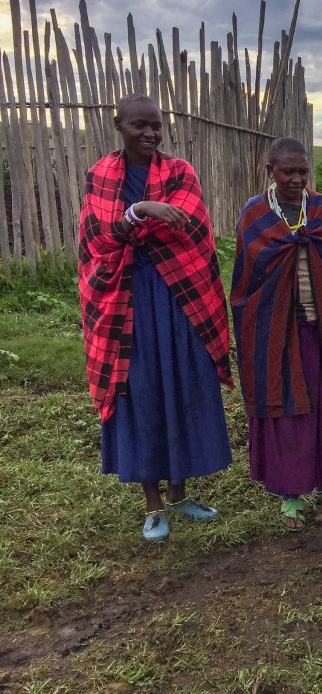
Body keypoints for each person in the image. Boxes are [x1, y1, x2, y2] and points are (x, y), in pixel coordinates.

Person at [78, 94, 232, 542]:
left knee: (181, 386)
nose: (149, 133)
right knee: (140, 393)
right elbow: (99, 242)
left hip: (179, 300)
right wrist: (141, 211)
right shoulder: (99, 177)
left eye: (156, 126)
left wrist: (133, 227)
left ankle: (181, 494)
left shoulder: (181, 172)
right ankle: (153, 506)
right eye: (139, 125)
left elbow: (188, 229)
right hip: (125, 305)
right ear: (118, 126)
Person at [231, 137, 322, 530]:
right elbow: (246, 280)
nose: (296, 179)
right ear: (270, 170)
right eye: (288, 171)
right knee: (288, 410)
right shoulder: (255, 214)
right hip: (278, 330)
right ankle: (290, 494)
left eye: (302, 171)